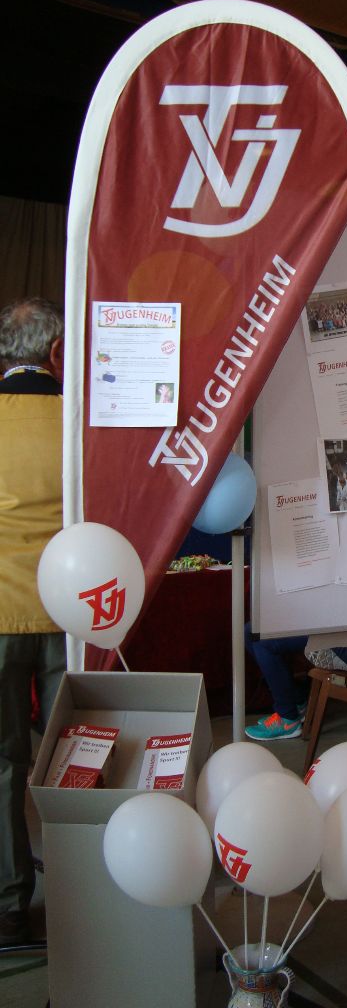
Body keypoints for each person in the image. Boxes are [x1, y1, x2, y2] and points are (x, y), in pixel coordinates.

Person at [0, 298, 66, 945]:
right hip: (66, 607)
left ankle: (11, 904)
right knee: (74, 750)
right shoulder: (76, 419)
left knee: (2, 761)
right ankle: (83, 890)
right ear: (55, 352)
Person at [243, 628, 347, 741]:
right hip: (336, 626)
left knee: (261, 640)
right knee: (251, 630)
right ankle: (296, 701)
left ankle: (287, 719)